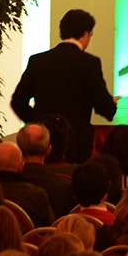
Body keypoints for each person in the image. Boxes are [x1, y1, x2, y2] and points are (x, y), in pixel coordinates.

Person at [9, 9, 118, 163]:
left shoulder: (38, 61)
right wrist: (110, 103)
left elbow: (18, 102)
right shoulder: (88, 63)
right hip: (76, 145)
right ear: (86, 34)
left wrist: (40, 124)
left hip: (43, 145)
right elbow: (105, 108)